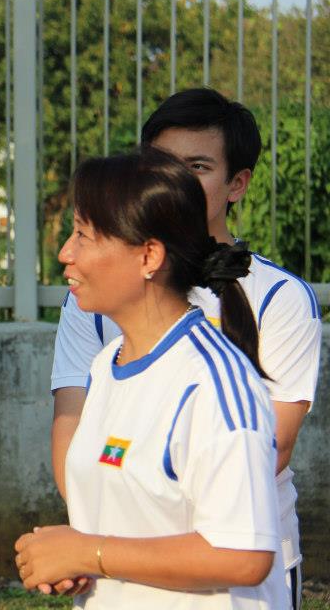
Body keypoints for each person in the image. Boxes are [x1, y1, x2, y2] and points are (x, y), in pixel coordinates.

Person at [50, 88, 319, 608]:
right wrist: (87, 539)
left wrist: (102, 548)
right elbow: (72, 429)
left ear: (237, 183)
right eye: (159, 164)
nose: (172, 182)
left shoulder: (272, 307)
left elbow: (267, 460)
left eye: (196, 166)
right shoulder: (105, 334)